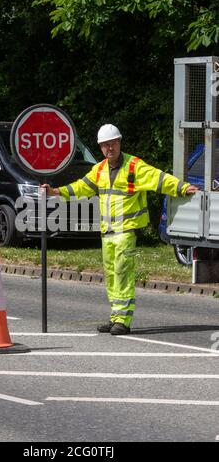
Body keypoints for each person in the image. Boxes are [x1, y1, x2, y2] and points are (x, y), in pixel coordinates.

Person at [41, 124, 198, 335]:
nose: (109, 148)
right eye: (105, 145)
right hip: (107, 233)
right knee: (112, 275)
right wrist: (56, 192)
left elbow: (158, 178)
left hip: (125, 232)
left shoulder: (134, 166)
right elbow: (80, 187)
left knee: (123, 273)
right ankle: (116, 316)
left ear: (119, 142)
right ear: (100, 148)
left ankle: (123, 321)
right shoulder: (99, 170)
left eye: (112, 143)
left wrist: (181, 187)